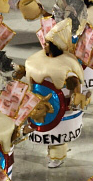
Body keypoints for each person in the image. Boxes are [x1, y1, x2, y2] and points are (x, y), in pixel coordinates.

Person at [24, 18, 89, 168]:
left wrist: (77, 95)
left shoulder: (68, 62)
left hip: (62, 105)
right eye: (45, 43)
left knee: (58, 135)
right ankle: (53, 153)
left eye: (48, 43)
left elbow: (74, 84)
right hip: (41, 104)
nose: (45, 45)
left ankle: (57, 155)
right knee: (48, 131)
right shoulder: (36, 59)